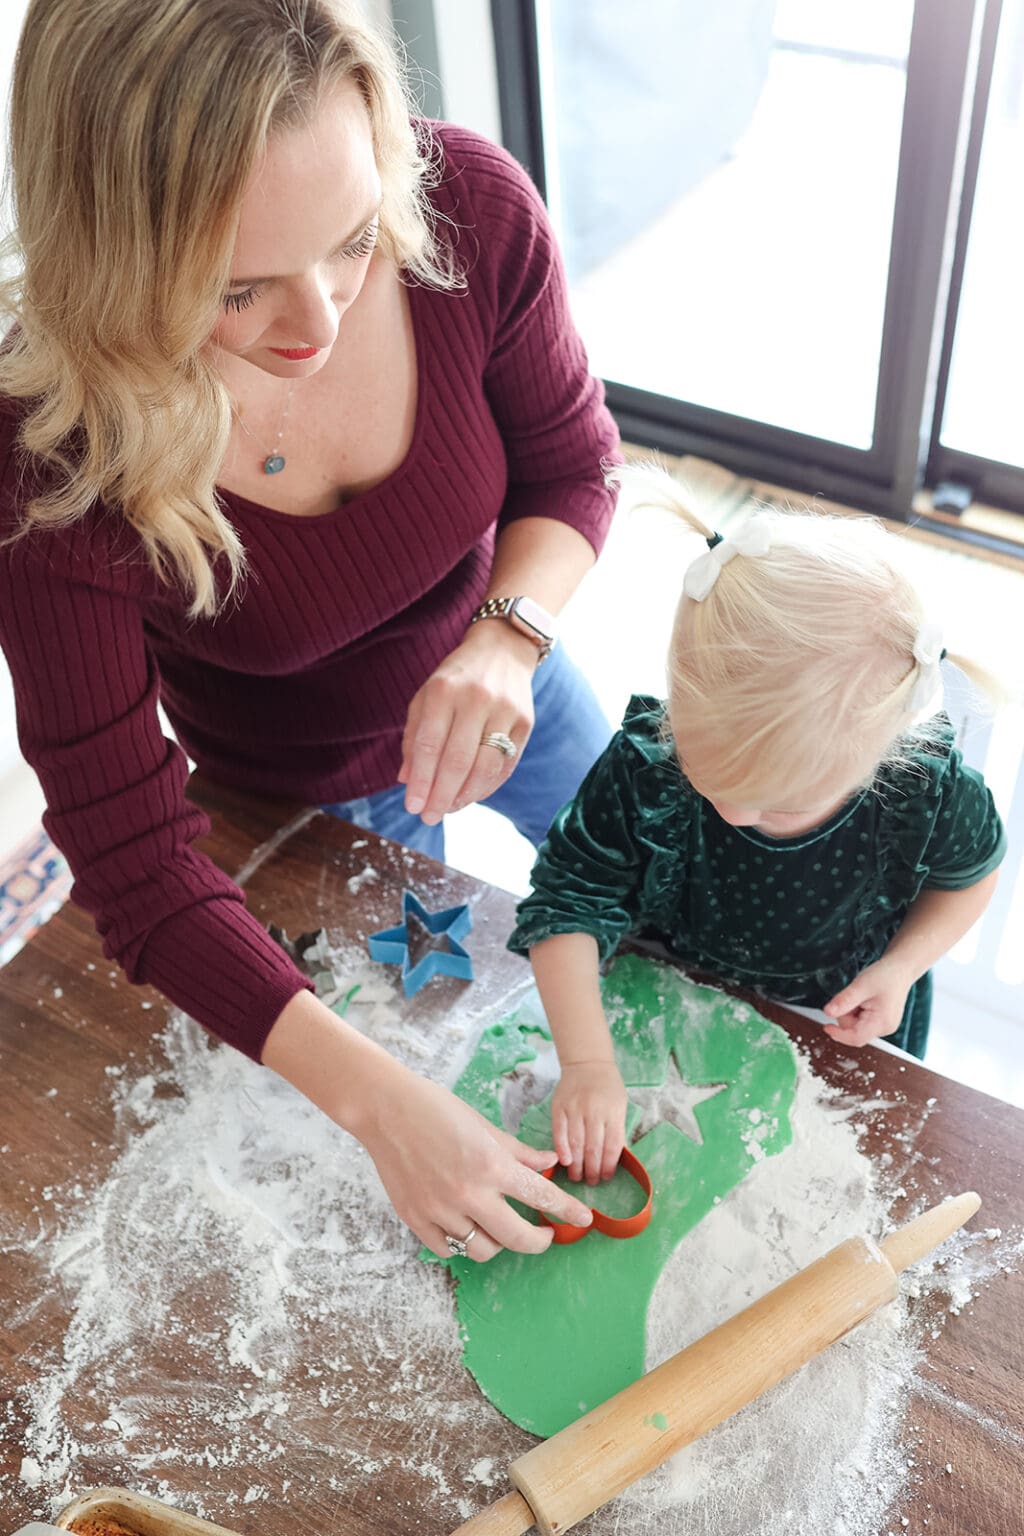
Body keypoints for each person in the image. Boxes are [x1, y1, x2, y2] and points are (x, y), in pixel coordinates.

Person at [0, 0, 620, 1260]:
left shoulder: (473, 210)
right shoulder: (50, 459)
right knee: (420, 1022)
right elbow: (130, 860)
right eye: (236, 288)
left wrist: (509, 634)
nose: (320, 324)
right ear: (112, 263)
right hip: (306, 798)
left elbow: (573, 467)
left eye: (350, 241)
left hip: (512, 672)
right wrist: (381, 1110)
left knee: (647, 899)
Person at [509, 465, 1007, 1186]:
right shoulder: (647, 763)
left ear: (881, 756)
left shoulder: (925, 790)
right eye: (712, 781)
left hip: (834, 1015)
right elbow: (566, 900)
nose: (738, 816)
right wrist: (586, 1062)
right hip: (665, 987)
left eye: (777, 805)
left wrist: (902, 968)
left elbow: (973, 876)